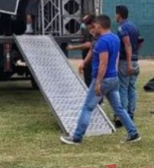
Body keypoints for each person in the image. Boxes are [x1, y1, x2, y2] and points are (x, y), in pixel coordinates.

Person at [60, 15, 140, 145]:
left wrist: (98, 82)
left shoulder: (102, 42)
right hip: (113, 78)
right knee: (119, 108)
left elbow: (103, 63)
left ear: (99, 26)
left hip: (103, 79)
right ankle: (133, 133)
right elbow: (115, 57)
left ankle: (77, 137)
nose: (93, 28)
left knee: (87, 108)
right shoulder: (115, 38)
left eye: (95, 26)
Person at [115, 5, 143, 124]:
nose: (115, 16)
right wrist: (135, 55)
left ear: (119, 15)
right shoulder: (133, 26)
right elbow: (140, 41)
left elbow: (127, 45)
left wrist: (129, 63)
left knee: (123, 87)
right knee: (132, 87)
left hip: (126, 62)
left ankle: (123, 115)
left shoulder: (122, 28)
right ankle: (131, 113)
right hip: (135, 60)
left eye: (116, 13)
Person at [67, 14, 95, 87]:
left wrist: (73, 47)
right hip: (88, 58)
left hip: (91, 60)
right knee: (88, 79)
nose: (83, 25)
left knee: (90, 81)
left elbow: (89, 45)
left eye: (85, 23)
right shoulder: (88, 31)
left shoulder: (92, 32)